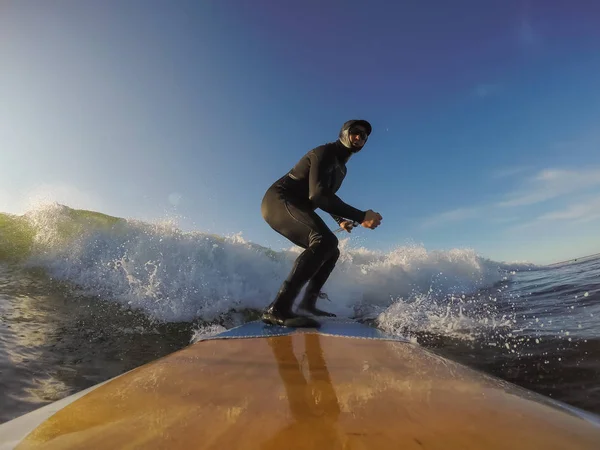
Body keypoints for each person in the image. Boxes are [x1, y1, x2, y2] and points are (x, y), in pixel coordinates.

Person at [260, 119, 382, 327]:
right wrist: (361, 216)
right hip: (279, 201)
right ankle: (277, 308)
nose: (360, 137)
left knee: (331, 250)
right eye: (356, 132)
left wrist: (342, 220)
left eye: (364, 136)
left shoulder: (342, 170)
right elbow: (317, 195)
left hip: (298, 206)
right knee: (324, 241)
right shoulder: (324, 152)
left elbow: (327, 195)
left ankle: (308, 303)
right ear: (344, 132)